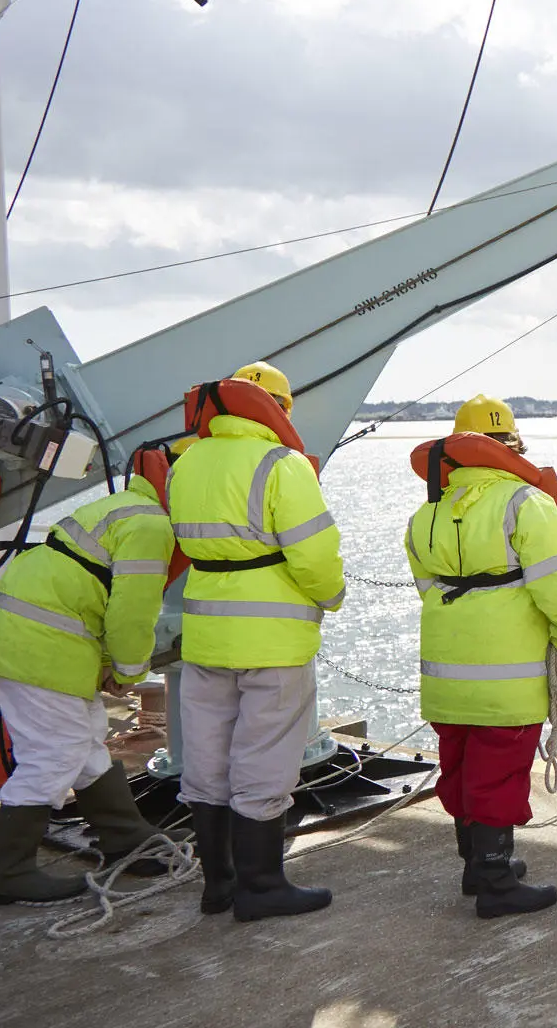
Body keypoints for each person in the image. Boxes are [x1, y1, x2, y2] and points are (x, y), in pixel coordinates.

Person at [170, 360, 346, 922]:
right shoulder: (282, 464)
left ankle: (217, 884)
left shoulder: (186, 461)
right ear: (278, 409)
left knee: (206, 758)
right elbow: (314, 553)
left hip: (204, 632)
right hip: (273, 641)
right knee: (264, 760)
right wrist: (332, 594)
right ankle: (263, 885)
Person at [0, 459, 181, 904]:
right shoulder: (152, 526)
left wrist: (106, 661)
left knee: (85, 744)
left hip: (32, 640)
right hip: (39, 648)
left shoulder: (125, 506)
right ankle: (9, 872)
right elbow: (131, 615)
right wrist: (126, 670)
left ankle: (126, 839)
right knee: (54, 754)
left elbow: (88, 590)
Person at [404, 395, 557, 918]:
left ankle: (475, 865)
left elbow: (425, 586)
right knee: (500, 770)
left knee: (459, 765)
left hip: (444, 669)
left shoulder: (426, 511)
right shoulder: (526, 503)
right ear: (512, 446)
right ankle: (496, 884)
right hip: (508, 671)